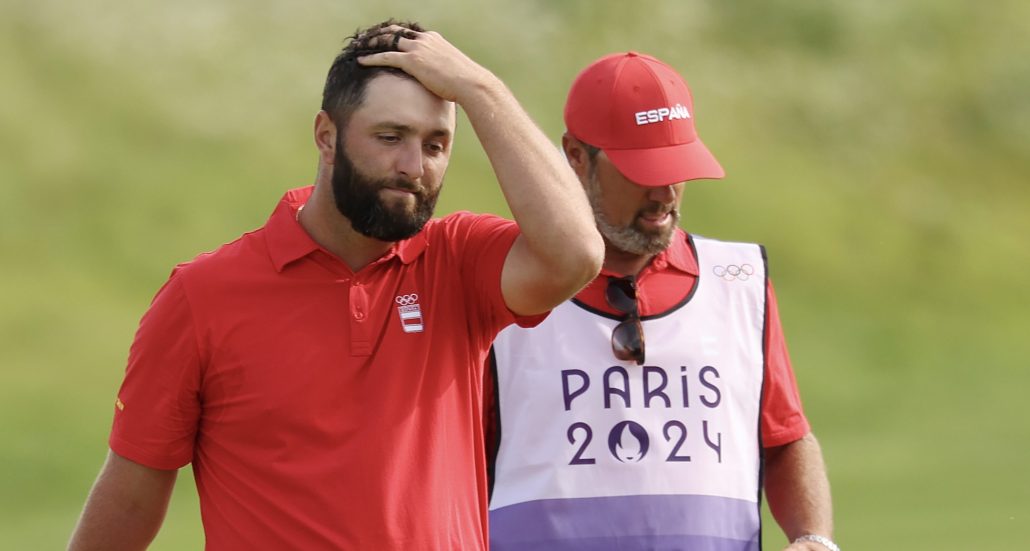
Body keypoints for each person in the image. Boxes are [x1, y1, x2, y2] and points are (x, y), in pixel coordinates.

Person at [68, 20, 604, 551]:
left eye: (436, 144)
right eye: (390, 137)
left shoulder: (458, 263)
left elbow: (576, 253)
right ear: (327, 136)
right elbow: (132, 495)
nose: (413, 166)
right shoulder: (202, 295)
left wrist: (478, 87)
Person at [485, 52, 837, 551]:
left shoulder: (740, 281)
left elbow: (784, 438)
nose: (665, 193)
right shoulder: (498, 287)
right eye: (642, 170)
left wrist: (814, 539)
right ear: (576, 156)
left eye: (677, 168)